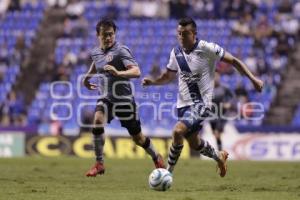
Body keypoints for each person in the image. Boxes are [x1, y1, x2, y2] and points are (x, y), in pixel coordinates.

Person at [142, 17, 263, 177]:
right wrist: (153, 82)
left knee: (178, 131)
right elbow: (168, 76)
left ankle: (167, 173)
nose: (181, 37)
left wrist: (253, 79)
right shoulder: (175, 53)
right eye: (179, 33)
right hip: (182, 105)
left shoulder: (208, 48)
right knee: (194, 142)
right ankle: (218, 157)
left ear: (194, 34)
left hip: (201, 104)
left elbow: (234, 61)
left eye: (185, 34)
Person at [83, 19, 165, 177]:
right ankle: (99, 163)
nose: (108, 38)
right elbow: (96, 63)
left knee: (138, 139)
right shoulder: (95, 52)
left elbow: (136, 71)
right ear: (97, 35)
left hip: (124, 101)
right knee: (98, 119)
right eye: (104, 35)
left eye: (111, 34)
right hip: (106, 97)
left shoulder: (121, 51)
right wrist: (87, 78)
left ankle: (156, 156)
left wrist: (118, 73)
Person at [209, 72, 234, 151]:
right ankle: (220, 151)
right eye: (214, 77)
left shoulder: (224, 88)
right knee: (215, 134)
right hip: (212, 115)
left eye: (217, 76)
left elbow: (232, 97)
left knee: (217, 133)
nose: (215, 78)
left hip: (222, 114)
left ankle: (220, 152)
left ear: (219, 78)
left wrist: (229, 103)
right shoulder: (208, 89)